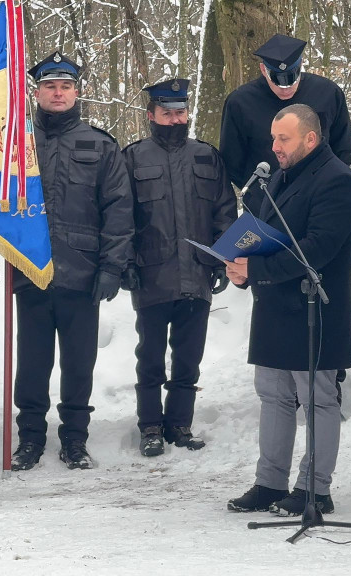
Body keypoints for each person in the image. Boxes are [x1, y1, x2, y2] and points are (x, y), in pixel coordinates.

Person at [225, 103, 351, 516]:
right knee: (274, 397)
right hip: (274, 307)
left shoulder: (338, 181)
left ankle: (314, 490)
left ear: (310, 138)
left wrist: (258, 268)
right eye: (273, 138)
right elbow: (269, 235)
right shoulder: (280, 178)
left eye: (283, 138)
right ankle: (269, 483)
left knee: (318, 400)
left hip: (313, 309)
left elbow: (317, 248)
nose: (274, 146)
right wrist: (240, 266)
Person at [10, 51, 134, 472]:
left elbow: (118, 208)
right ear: (37, 91)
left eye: (65, 86)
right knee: (31, 364)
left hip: (83, 272)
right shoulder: (14, 142)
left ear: (76, 92)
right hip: (31, 269)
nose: (57, 93)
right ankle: (29, 438)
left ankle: (75, 440)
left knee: (79, 363)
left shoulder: (99, 145)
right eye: (49, 86)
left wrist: (112, 266)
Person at [121, 78, 236, 457]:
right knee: (150, 357)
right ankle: (150, 427)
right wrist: (125, 262)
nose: (174, 119)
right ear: (151, 115)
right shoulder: (134, 157)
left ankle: (180, 425)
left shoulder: (206, 156)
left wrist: (222, 259)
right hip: (151, 273)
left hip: (198, 273)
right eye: (166, 113)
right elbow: (121, 216)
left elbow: (224, 211)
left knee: (189, 357)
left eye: (180, 112)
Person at [219, 34, 351, 216]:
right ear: (263, 69)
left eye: (292, 78)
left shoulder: (328, 93)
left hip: (318, 203)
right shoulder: (240, 103)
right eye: (277, 80)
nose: (286, 88)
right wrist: (264, 191)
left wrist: (322, 184)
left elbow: (344, 149)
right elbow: (232, 161)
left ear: (300, 65)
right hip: (264, 208)